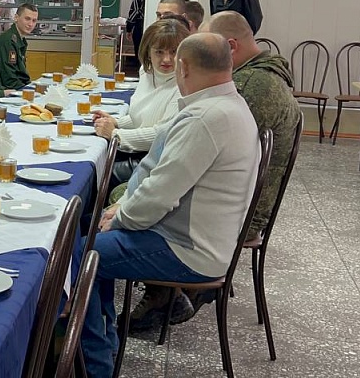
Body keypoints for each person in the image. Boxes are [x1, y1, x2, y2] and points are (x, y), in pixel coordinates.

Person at [81, 33, 261, 378]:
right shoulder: (227, 104)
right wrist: (122, 208)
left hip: (187, 249)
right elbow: (159, 180)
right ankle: (102, 340)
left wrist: (120, 216)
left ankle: (94, 365)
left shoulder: (204, 117)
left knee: (81, 254)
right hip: (198, 236)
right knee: (87, 230)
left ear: (183, 67)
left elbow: (160, 195)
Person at [200, 11, 301, 243]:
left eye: (205, 51)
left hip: (241, 216)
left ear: (230, 47)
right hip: (244, 204)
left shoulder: (250, 85)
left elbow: (205, 144)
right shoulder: (264, 75)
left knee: (130, 195)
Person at [93, 19, 190, 186]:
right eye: (159, 52)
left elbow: (161, 135)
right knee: (92, 154)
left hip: (156, 161)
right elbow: (141, 117)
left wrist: (115, 134)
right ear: (148, 52)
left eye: (173, 52)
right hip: (137, 150)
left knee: (95, 174)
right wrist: (116, 122)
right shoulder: (147, 73)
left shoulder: (183, 85)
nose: (167, 59)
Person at [0, 3, 38, 89]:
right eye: (27, 19)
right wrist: (29, 90)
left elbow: (20, 74)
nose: (30, 24)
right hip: (8, 90)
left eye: (34, 20)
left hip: (17, 86)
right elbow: (9, 79)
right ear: (16, 18)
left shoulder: (20, 39)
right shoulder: (8, 41)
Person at [126, 0, 146, 66]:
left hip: (140, 26)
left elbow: (134, 13)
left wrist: (129, 29)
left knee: (139, 51)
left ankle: (140, 70)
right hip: (156, 27)